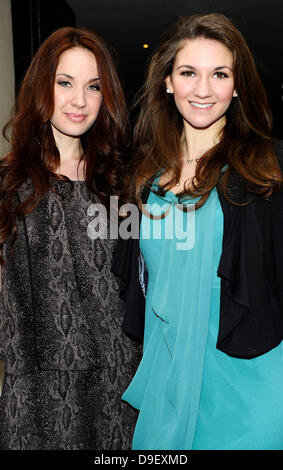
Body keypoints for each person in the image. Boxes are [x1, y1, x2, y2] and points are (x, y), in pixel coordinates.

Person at [112, 13, 283, 450]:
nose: (203, 90)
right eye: (189, 72)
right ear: (168, 81)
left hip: (248, 383)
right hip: (168, 379)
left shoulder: (268, 170)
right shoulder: (141, 179)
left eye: (219, 74)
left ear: (237, 84)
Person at [0, 26, 141, 450]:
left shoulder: (123, 187)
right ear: (42, 86)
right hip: (39, 404)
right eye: (65, 83)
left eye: (93, 87)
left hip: (123, 396)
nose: (80, 100)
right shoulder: (8, 187)